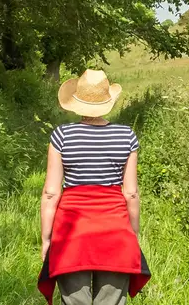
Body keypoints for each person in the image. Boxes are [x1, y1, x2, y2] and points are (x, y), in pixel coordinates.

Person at [37, 69, 150, 305]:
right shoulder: (126, 136)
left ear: (77, 102)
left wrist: (46, 239)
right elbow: (131, 193)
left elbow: (50, 193)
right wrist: (133, 233)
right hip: (115, 230)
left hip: (70, 233)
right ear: (107, 102)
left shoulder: (62, 135)